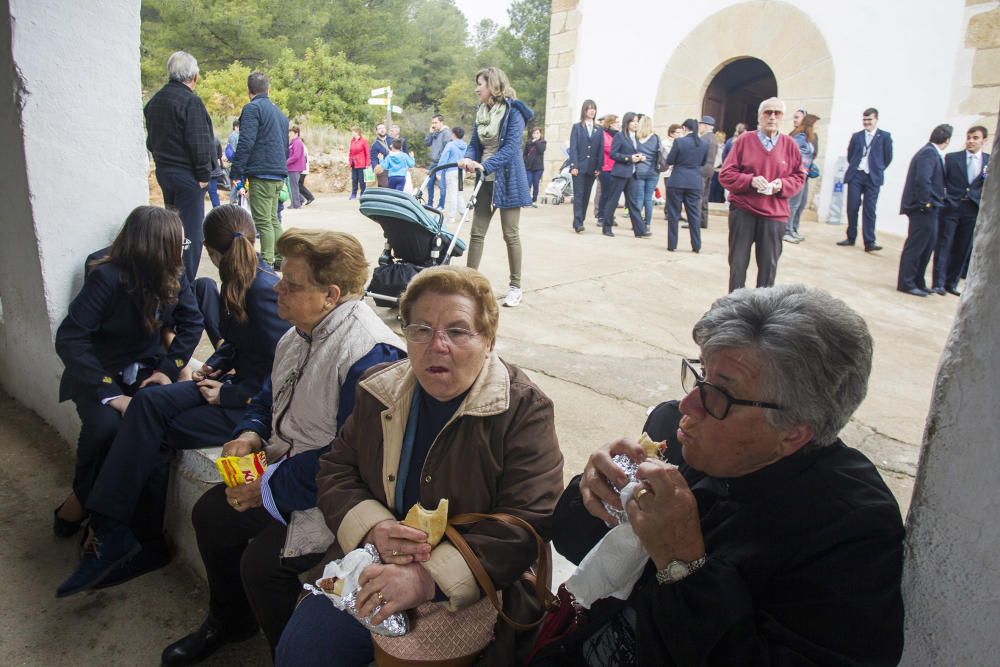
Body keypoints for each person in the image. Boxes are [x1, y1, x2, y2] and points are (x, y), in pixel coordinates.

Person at [539, 284, 904, 667]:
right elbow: (575, 543)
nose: (687, 403)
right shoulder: (675, 434)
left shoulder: (851, 531)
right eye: (700, 374)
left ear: (793, 431)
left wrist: (684, 564)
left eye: (720, 393)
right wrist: (593, 492)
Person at [275, 265, 564, 667]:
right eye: (421, 329)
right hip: (372, 564)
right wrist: (374, 527)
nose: (437, 345)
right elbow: (336, 469)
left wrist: (427, 578)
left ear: (488, 341)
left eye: (458, 331)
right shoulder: (379, 389)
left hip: (472, 587)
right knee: (302, 653)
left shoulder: (523, 410)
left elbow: (529, 518)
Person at [160, 230, 405, 665]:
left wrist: (268, 486)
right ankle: (230, 621)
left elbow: (346, 458)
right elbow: (267, 399)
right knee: (211, 515)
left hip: (338, 496)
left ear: (330, 295)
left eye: (291, 283)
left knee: (262, 565)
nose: (277, 289)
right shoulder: (297, 335)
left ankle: (287, 655)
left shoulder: (371, 353)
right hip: (287, 473)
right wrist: (251, 433)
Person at [56, 205, 289, 596]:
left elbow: (286, 367)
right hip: (229, 389)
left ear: (212, 251)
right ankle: (116, 530)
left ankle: (126, 536)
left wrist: (229, 391)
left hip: (250, 404)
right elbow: (239, 345)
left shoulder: (262, 289)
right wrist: (213, 365)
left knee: (152, 427)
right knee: (147, 405)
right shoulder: (239, 281)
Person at [52, 207, 204, 544]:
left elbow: (192, 323)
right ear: (156, 246)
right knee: (107, 427)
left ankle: (100, 516)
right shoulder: (107, 278)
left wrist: (167, 371)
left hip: (147, 371)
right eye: (180, 244)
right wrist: (112, 394)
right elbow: (70, 338)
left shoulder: (175, 274)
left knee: (149, 427)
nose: (184, 250)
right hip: (98, 374)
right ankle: (81, 503)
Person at [460, 67, 534, 308]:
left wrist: (484, 165)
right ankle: (468, 285)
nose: (476, 88)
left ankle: (515, 287)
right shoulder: (481, 112)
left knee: (510, 234)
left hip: (508, 179)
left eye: (479, 84)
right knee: (476, 232)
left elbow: (511, 148)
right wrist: (469, 159)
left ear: (492, 85)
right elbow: (473, 144)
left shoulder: (514, 112)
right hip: (485, 179)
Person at [719, 97, 804, 293]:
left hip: (774, 214)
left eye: (777, 113)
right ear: (760, 116)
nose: (772, 117)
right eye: (768, 112)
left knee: (768, 268)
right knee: (738, 264)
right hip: (744, 210)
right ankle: (735, 309)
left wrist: (781, 184)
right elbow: (726, 175)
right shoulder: (744, 141)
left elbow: (799, 177)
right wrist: (750, 180)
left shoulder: (790, 145)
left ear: (783, 117)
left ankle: (762, 312)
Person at [143, 51, 214, 282]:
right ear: (194, 76)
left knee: (172, 231)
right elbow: (200, 142)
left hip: (165, 171)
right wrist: (204, 175)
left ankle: (169, 278)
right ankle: (185, 284)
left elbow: (151, 140)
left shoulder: (155, 101)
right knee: (190, 235)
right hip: (188, 176)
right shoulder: (190, 102)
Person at [229, 71, 289, 267]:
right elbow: (285, 145)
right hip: (278, 172)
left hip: (261, 172)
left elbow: (246, 141)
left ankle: (268, 262)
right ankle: (279, 258)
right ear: (268, 89)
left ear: (249, 91)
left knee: (263, 222)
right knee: (273, 219)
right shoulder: (280, 114)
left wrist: (236, 171)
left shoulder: (252, 109)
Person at [932, 125, 990, 296]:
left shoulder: (989, 161)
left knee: (963, 247)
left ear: (984, 141)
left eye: (975, 138)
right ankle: (939, 283)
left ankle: (952, 283)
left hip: (972, 209)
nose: (971, 141)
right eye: (969, 137)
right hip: (952, 207)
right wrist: (946, 199)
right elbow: (941, 181)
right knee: (944, 245)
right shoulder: (952, 158)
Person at [897, 124, 952, 297]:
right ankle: (906, 282)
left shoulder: (931, 152)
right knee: (916, 246)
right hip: (923, 209)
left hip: (931, 208)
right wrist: (925, 203)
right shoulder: (928, 153)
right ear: (947, 140)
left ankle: (918, 281)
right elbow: (923, 180)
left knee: (927, 246)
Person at [839, 107, 893, 252]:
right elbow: (850, 155)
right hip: (856, 175)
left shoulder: (885, 136)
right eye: (864, 120)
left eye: (869, 120)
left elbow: (888, 158)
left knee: (870, 209)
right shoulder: (856, 136)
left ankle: (869, 242)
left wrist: (877, 168)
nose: (867, 122)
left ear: (876, 119)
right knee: (852, 207)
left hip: (872, 177)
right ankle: (850, 237)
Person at [602, 111, 650, 238]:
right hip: (620, 173)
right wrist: (629, 158)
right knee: (613, 201)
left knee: (633, 203)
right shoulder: (620, 136)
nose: (636, 124)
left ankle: (640, 230)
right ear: (627, 122)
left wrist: (640, 157)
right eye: (633, 121)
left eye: (637, 121)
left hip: (632, 174)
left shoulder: (636, 137)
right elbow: (613, 154)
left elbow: (635, 152)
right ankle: (607, 227)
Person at [665, 118, 708, 252]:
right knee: (694, 214)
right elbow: (703, 162)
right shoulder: (704, 143)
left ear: (684, 128)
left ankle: (672, 244)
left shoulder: (679, 142)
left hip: (677, 179)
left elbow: (670, 160)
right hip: (694, 181)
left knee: (674, 213)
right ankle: (696, 245)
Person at [783, 113, 820, 244]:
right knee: (793, 204)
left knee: (800, 204)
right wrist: (800, 169)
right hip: (798, 175)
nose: (818, 128)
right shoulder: (799, 138)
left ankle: (793, 229)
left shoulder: (809, 138)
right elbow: (790, 154)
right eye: (816, 125)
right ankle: (786, 231)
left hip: (804, 176)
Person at [569, 100, 604, 232]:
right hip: (579, 167)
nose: (592, 111)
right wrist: (574, 165)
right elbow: (573, 148)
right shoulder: (577, 127)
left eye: (594, 108)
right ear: (584, 110)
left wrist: (598, 168)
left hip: (592, 168)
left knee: (586, 196)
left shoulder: (599, 129)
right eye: (589, 108)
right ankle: (578, 223)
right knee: (579, 195)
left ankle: (580, 220)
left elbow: (600, 149)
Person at [635, 116, 661, 233]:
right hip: (653, 171)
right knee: (648, 198)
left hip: (639, 170)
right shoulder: (656, 138)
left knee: (639, 197)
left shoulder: (636, 138)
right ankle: (647, 223)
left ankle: (638, 223)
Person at [437, 127, 468, 225]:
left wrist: (439, 171)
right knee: (459, 193)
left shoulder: (450, 144)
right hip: (461, 171)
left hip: (451, 171)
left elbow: (443, 158)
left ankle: (451, 217)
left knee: (452, 194)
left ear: (454, 134)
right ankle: (464, 215)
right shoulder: (465, 145)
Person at [425, 114, 453, 209]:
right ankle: (429, 203)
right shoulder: (434, 132)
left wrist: (443, 160)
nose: (433, 125)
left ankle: (441, 205)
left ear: (441, 122)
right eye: (432, 122)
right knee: (429, 184)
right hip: (433, 162)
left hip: (442, 163)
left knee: (442, 185)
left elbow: (447, 148)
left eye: (436, 122)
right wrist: (430, 133)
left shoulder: (446, 133)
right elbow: (426, 143)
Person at [597, 114, 620, 228]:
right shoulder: (604, 134)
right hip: (606, 168)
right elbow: (609, 148)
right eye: (617, 122)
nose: (619, 124)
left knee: (613, 195)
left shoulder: (618, 135)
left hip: (616, 169)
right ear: (610, 124)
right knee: (605, 194)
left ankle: (610, 216)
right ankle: (601, 216)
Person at [697, 115, 719, 230]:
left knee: (698, 197)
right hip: (710, 170)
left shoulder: (703, 139)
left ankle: (696, 221)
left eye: (700, 125)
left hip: (701, 170)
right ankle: (703, 221)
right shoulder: (714, 138)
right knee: (705, 197)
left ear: (705, 126)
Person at [661, 123, 684, 222]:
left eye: (681, 133)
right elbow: (666, 157)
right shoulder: (665, 143)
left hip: (679, 171)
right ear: (671, 133)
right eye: (677, 132)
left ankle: (678, 213)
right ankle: (668, 212)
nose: (680, 135)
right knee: (670, 193)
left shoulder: (682, 142)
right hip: (668, 171)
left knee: (679, 194)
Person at [524, 127, 547, 207]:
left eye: (537, 133)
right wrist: (526, 161)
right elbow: (525, 154)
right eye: (534, 133)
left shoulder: (543, 142)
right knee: (528, 183)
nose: (536, 134)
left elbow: (541, 150)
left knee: (536, 183)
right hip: (529, 167)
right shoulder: (528, 143)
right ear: (532, 134)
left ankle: (534, 200)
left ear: (540, 134)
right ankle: (527, 200)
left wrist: (536, 141)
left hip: (538, 168)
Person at [286, 126, 306, 209]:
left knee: (293, 186)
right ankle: (299, 200)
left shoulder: (297, 142)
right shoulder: (293, 142)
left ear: (296, 133)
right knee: (293, 186)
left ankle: (296, 204)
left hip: (295, 167)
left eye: (291, 133)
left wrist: (286, 162)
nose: (289, 134)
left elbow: (296, 156)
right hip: (292, 167)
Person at [349, 126, 371, 199]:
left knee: (362, 180)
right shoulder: (352, 140)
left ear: (357, 132)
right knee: (354, 179)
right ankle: (353, 194)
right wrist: (350, 161)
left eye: (353, 131)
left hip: (362, 163)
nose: (352, 133)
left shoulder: (364, 141)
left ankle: (363, 194)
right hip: (354, 163)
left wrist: (368, 163)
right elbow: (351, 152)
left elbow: (367, 152)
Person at [207, 135, 227, 208]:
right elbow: (219, 155)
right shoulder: (216, 139)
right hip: (214, 170)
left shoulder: (198, 138)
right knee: (213, 193)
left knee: (198, 195)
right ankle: (218, 212)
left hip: (201, 171)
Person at [370, 123, 391, 189]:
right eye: (380, 128)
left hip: (395, 170)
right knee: (385, 189)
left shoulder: (392, 140)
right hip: (383, 171)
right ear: (376, 131)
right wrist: (376, 168)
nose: (382, 130)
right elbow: (373, 159)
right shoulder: (375, 145)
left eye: (383, 128)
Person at [298, 137, 315, 206]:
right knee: (299, 185)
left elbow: (303, 159)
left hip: (303, 170)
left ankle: (309, 197)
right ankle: (304, 198)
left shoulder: (302, 147)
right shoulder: (303, 147)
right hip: (303, 169)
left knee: (299, 185)